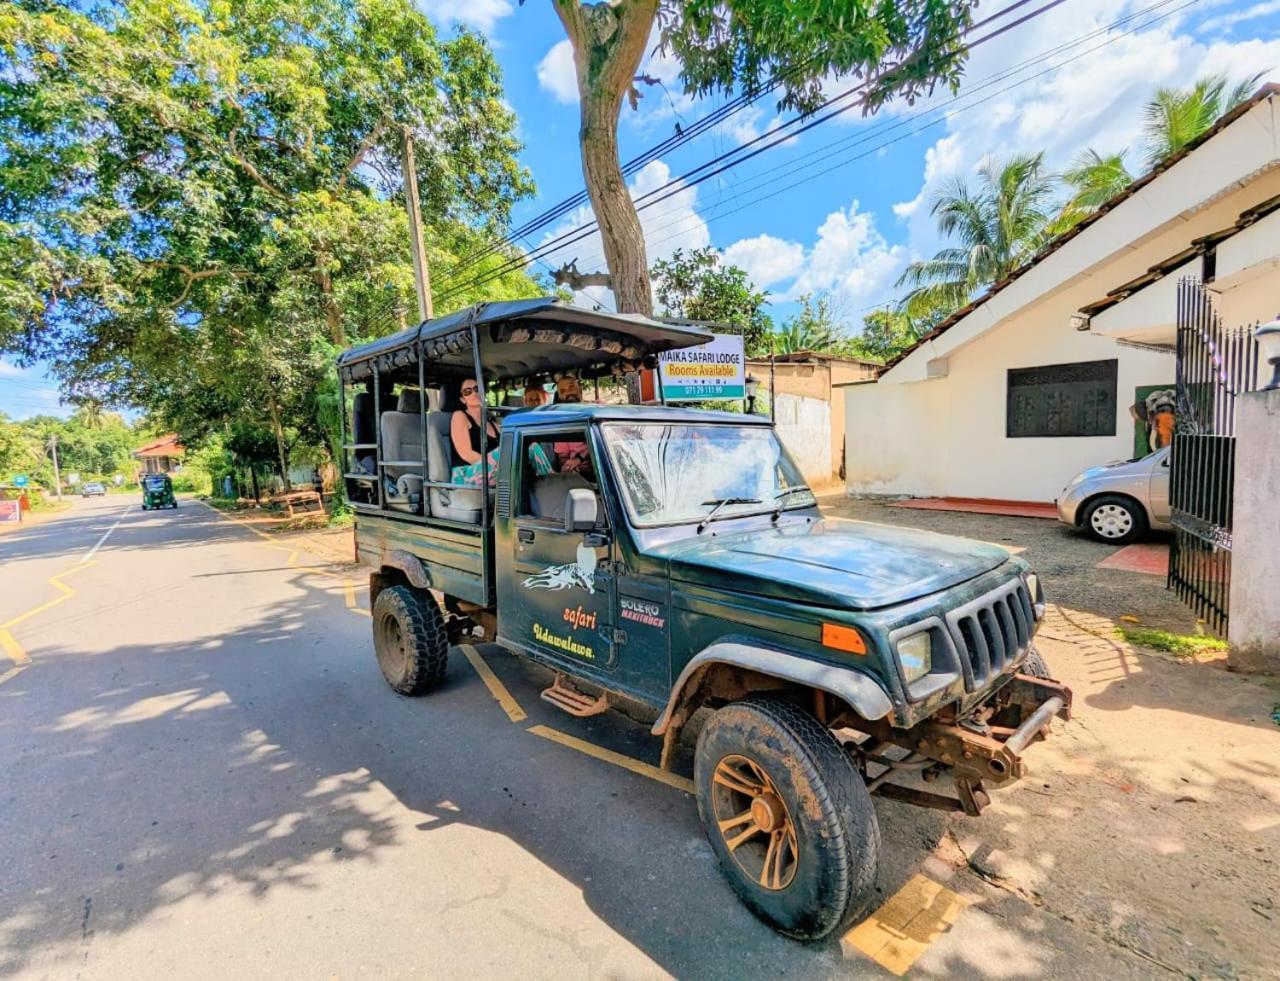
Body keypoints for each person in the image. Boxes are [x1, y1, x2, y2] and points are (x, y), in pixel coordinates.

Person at [450, 378, 501, 487]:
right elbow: (466, 453)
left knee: (529, 447)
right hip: (466, 473)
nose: (474, 393)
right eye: (467, 391)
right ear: (463, 399)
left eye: (477, 389)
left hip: (491, 471)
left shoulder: (493, 424)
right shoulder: (460, 416)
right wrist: (496, 465)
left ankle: (545, 485)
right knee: (503, 454)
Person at [551, 373, 593, 479]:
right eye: (563, 391)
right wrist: (568, 466)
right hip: (580, 477)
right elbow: (563, 456)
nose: (568, 392)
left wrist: (580, 459)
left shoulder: (599, 410)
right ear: (559, 397)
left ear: (580, 389)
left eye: (571, 386)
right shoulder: (562, 423)